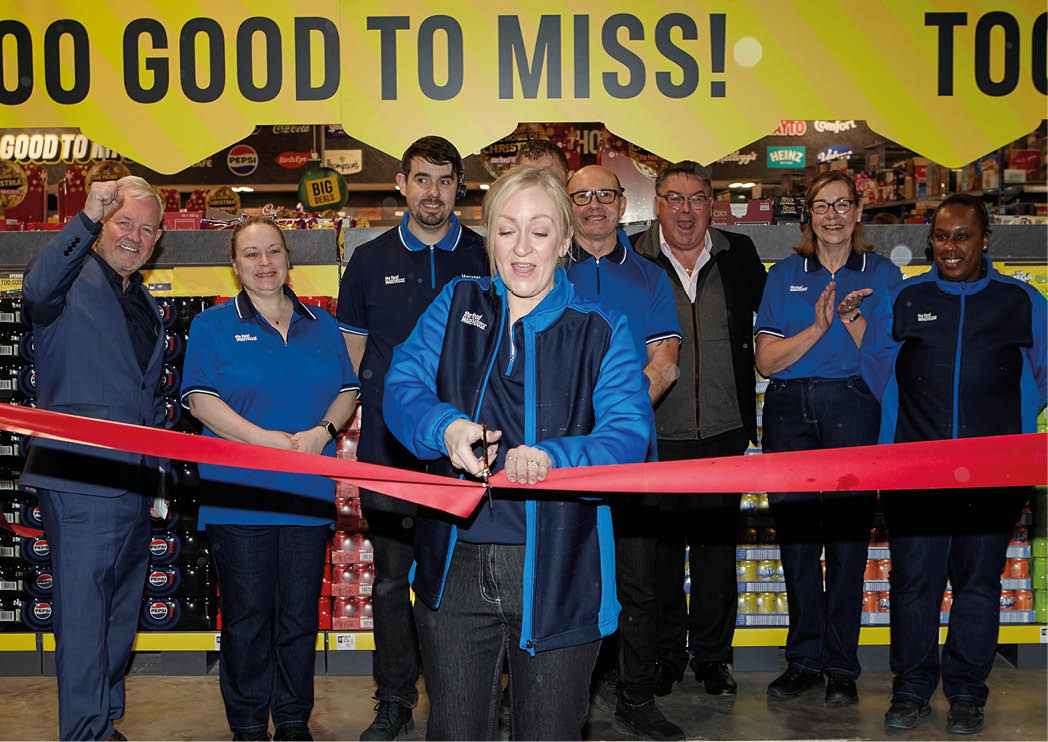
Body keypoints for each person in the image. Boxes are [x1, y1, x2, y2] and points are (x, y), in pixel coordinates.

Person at [382, 166, 653, 740]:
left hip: (560, 569)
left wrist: (555, 458)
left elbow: (630, 436)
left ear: (565, 239)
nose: (522, 249)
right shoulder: (457, 302)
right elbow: (402, 384)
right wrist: (446, 428)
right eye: (506, 231)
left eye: (539, 230)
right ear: (490, 241)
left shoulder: (602, 329)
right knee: (455, 730)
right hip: (454, 567)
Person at [861, 194, 1046, 735]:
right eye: (941, 236)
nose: (950, 247)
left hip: (993, 473)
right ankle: (912, 688)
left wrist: (1005, 431)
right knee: (914, 584)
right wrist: (910, 432)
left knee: (978, 585)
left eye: (962, 236)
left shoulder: (1022, 301)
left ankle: (967, 691)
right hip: (916, 471)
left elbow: (1041, 374)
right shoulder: (905, 296)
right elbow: (877, 368)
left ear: (985, 239)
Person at [180, 217, 359, 742]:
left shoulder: (320, 323)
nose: (265, 263)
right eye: (252, 254)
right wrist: (262, 439)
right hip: (240, 496)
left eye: (273, 252)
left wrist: (320, 432)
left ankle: (292, 718)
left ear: (288, 259)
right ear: (234, 266)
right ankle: (248, 722)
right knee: (247, 617)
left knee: (299, 617)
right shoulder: (211, 325)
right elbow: (199, 400)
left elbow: (347, 389)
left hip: (306, 494)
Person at [335, 136, 487, 740]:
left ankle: (465, 694)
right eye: (422, 179)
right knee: (394, 578)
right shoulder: (369, 261)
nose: (433, 192)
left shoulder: (483, 255)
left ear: (458, 188)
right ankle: (395, 697)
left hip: (467, 453)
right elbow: (355, 356)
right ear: (401, 183)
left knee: (464, 578)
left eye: (445, 180)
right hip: (390, 455)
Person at [20, 176, 166, 741]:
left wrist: (156, 478)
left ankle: (104, 720)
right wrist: (82, 218)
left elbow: (144, 396)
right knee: (84, 619)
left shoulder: (142, 301)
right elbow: (34, 288)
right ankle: (82, 734)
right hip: (80, 480)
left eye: (147, 229)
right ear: (102, 223)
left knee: (118, 616)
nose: (135, 236)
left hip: (132, 483)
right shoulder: (67, 281)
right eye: (123, 222)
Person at [754, 171, 903, 705]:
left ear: (859, 212)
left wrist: (854, 319)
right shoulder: (785, 274)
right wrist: (818, 328)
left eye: (843, 204)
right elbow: (767, 362)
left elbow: (892, 365)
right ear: (808, 215)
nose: (833, 215)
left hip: (854, 406)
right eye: (822, 206)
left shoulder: (884, 274)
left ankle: (842, 666)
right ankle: (804, 660)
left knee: (846, 544)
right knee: (797, 542)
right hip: (791, 410)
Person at [632, 160, 767, 698]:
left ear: (712, 203)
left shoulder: (740, 255)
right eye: (674, 198)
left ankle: (713, 657)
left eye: (696, 198)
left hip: (723, 426)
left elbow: (772, 323)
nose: (685, 211)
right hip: (655, 430)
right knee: (660, 554)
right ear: (657, 203)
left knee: (716, 551)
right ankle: (666, 654)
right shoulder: (635, 258)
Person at [565, 165, 684, 740]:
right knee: (559, 578)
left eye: (604, 195)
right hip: (558, 460)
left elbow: (665, 364)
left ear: (622, 204)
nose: (593, 205)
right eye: (581, 195)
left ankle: (636, 697)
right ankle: (556, 695)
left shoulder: (651, 277)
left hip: (631, 458)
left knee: (639, 581)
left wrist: (614, 420)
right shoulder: (543, 270)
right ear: (568, 205)